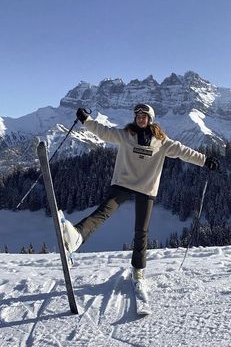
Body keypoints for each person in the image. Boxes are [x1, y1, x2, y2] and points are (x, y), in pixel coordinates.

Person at [63, 104, 219, 285]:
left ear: (150, 119)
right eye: (138, 116)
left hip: (146, 187)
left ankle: (138, 270)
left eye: (144, 116)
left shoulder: (161, 141)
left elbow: (183, 151)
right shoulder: (126, 135)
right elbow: (103, 131)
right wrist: (86, 120)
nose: (140, 119)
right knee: (104, 211)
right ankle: (77, 236)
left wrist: (205, 161)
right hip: (123, 183)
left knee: (141, 231)